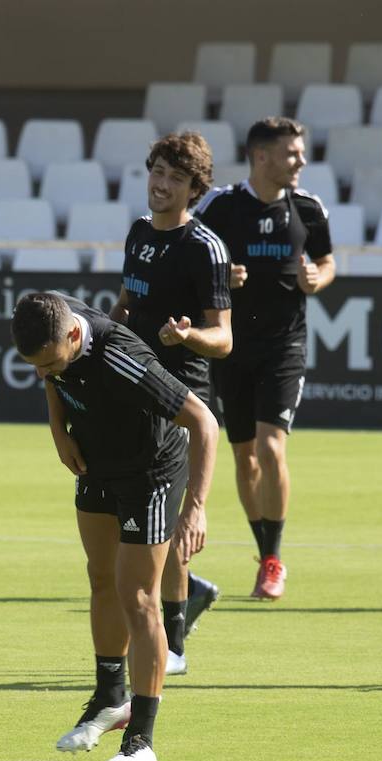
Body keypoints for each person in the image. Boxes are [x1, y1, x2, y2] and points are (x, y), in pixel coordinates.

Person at [13, 291, 218, 761]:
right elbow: (52, 378)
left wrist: (197, 508)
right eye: (34, 365)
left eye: (49, 362)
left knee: (138, 597)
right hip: (97, 461)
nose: (43, 372)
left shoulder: (123, 359)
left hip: (150, 472)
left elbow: (204, 423)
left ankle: (142, 740)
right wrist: (58, 429)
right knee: (101, 579)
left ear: (71, 335)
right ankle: (109, 698)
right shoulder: (50, 318)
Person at [195, 117, 334, 601]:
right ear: (261, 157)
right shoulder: (222, 206)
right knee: (244, 456)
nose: (301, 161)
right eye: (292, 153)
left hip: (284, 346)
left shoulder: (309, 208)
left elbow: (327, 261)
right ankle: (263, 550)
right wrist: (219, 279)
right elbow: (191, 257)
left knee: (272, 448)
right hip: (231, 346)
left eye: (301, 152)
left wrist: (318, 278)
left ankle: (273, 561)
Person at [108, 130, 230, 675]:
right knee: (136, 520)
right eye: (157, 171)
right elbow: (131, 300)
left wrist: (188, 337)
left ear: (194, 189)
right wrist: (107, 329)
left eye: (175, 178)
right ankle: (183, 609)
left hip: (182, 396)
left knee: (171, 523)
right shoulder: (137, 233)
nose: (161, 184)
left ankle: (174, 642)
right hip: (133, 388)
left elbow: (223, 337)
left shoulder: (204, 248)